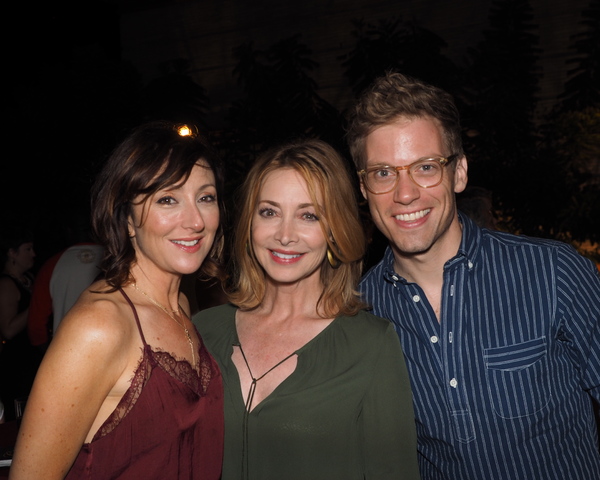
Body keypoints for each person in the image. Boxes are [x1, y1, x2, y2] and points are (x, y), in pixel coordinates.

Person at [346, 71, 600, 480]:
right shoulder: (357, 310)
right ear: (363, 188)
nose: (405, 193)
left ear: (459, 172)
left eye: (425, 167)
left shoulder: (554, 272)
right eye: (383, 173)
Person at [194, 138, 420, 480]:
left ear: (334, 230)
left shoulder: (370, 344)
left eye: (308, 215)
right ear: (248, 224)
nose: (285, 235)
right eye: (269, 212)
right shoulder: (201, 331)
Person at [10, 121, 226, 479]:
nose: (195, 221)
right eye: (167, 199)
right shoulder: (98, 326)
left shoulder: (181, 306)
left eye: (206, 197)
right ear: (127, 218)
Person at [28, 210, 104, 349]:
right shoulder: (116, 259)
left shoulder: (52, 264)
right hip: (111, 352)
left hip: (65, 351)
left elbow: (36, 324)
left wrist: (44, 352)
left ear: (68, 231)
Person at [0, 225, 41, 422]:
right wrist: (37, 301)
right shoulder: (6, 284)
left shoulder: (29, 279)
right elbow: (8, 330)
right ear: (11, 253)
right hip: (16, 363)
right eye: (28, 249)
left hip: (31, 357)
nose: (34, 254)